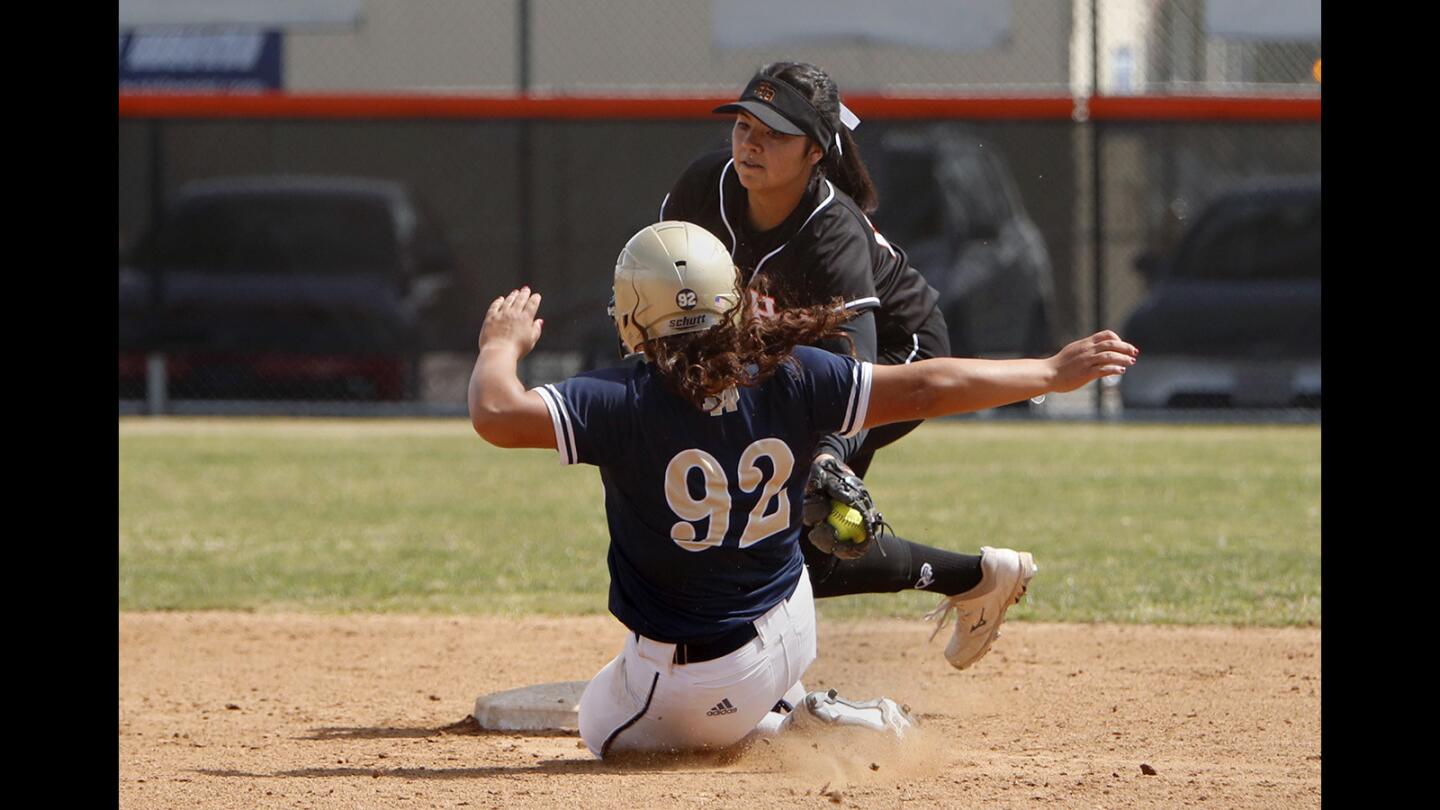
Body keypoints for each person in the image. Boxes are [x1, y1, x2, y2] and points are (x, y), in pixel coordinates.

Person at [469, 221, 1138, 757]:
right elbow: (931, 384)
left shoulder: (621, 400)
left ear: (636, 316)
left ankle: (787, 717)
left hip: (694, 677)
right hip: (791, 626)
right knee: (776, 573)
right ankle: (785, 702)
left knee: (598, 729)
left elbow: (496, 414)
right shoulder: (791, 373)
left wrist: (500, 344)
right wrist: (1049, 372)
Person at [657, 60, 1041, 666]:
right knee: (764, 526)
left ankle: (748, 667)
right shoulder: (706, 187)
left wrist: (828, 453)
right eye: (744, 125)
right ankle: (978, 577)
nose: (751, 142)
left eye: (775, 133)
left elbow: (853, 366)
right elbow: (659, 287)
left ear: (815, 151)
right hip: (792, 361)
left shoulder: (830, 228)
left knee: (790, 524)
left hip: (897, 354)